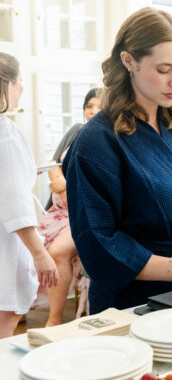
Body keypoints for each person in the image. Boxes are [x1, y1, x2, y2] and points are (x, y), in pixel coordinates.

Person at [65, 8, 172, 313]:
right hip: (133, 303)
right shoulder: (97, 142)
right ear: (129, 61)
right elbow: (101, 243)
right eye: (164, 69)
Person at [0, 55, 58, 339]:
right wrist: (40, 253)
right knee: (5, 324)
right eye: (20, 80)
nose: (22, 87)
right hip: (4, 248)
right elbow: (14, 202)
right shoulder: (5, 134)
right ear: (8, 85)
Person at [37, 87, 101, 325]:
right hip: (58, 211)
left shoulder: (111, 136)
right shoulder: (76, 131)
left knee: (56, 251)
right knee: (22, 244)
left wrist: (68, 186)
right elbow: (54, 165)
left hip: (85, 213)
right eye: (89, 106)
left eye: (99, 107)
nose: (93, 111)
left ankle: (54, 319)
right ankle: (15, 309)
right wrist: (60, 184)